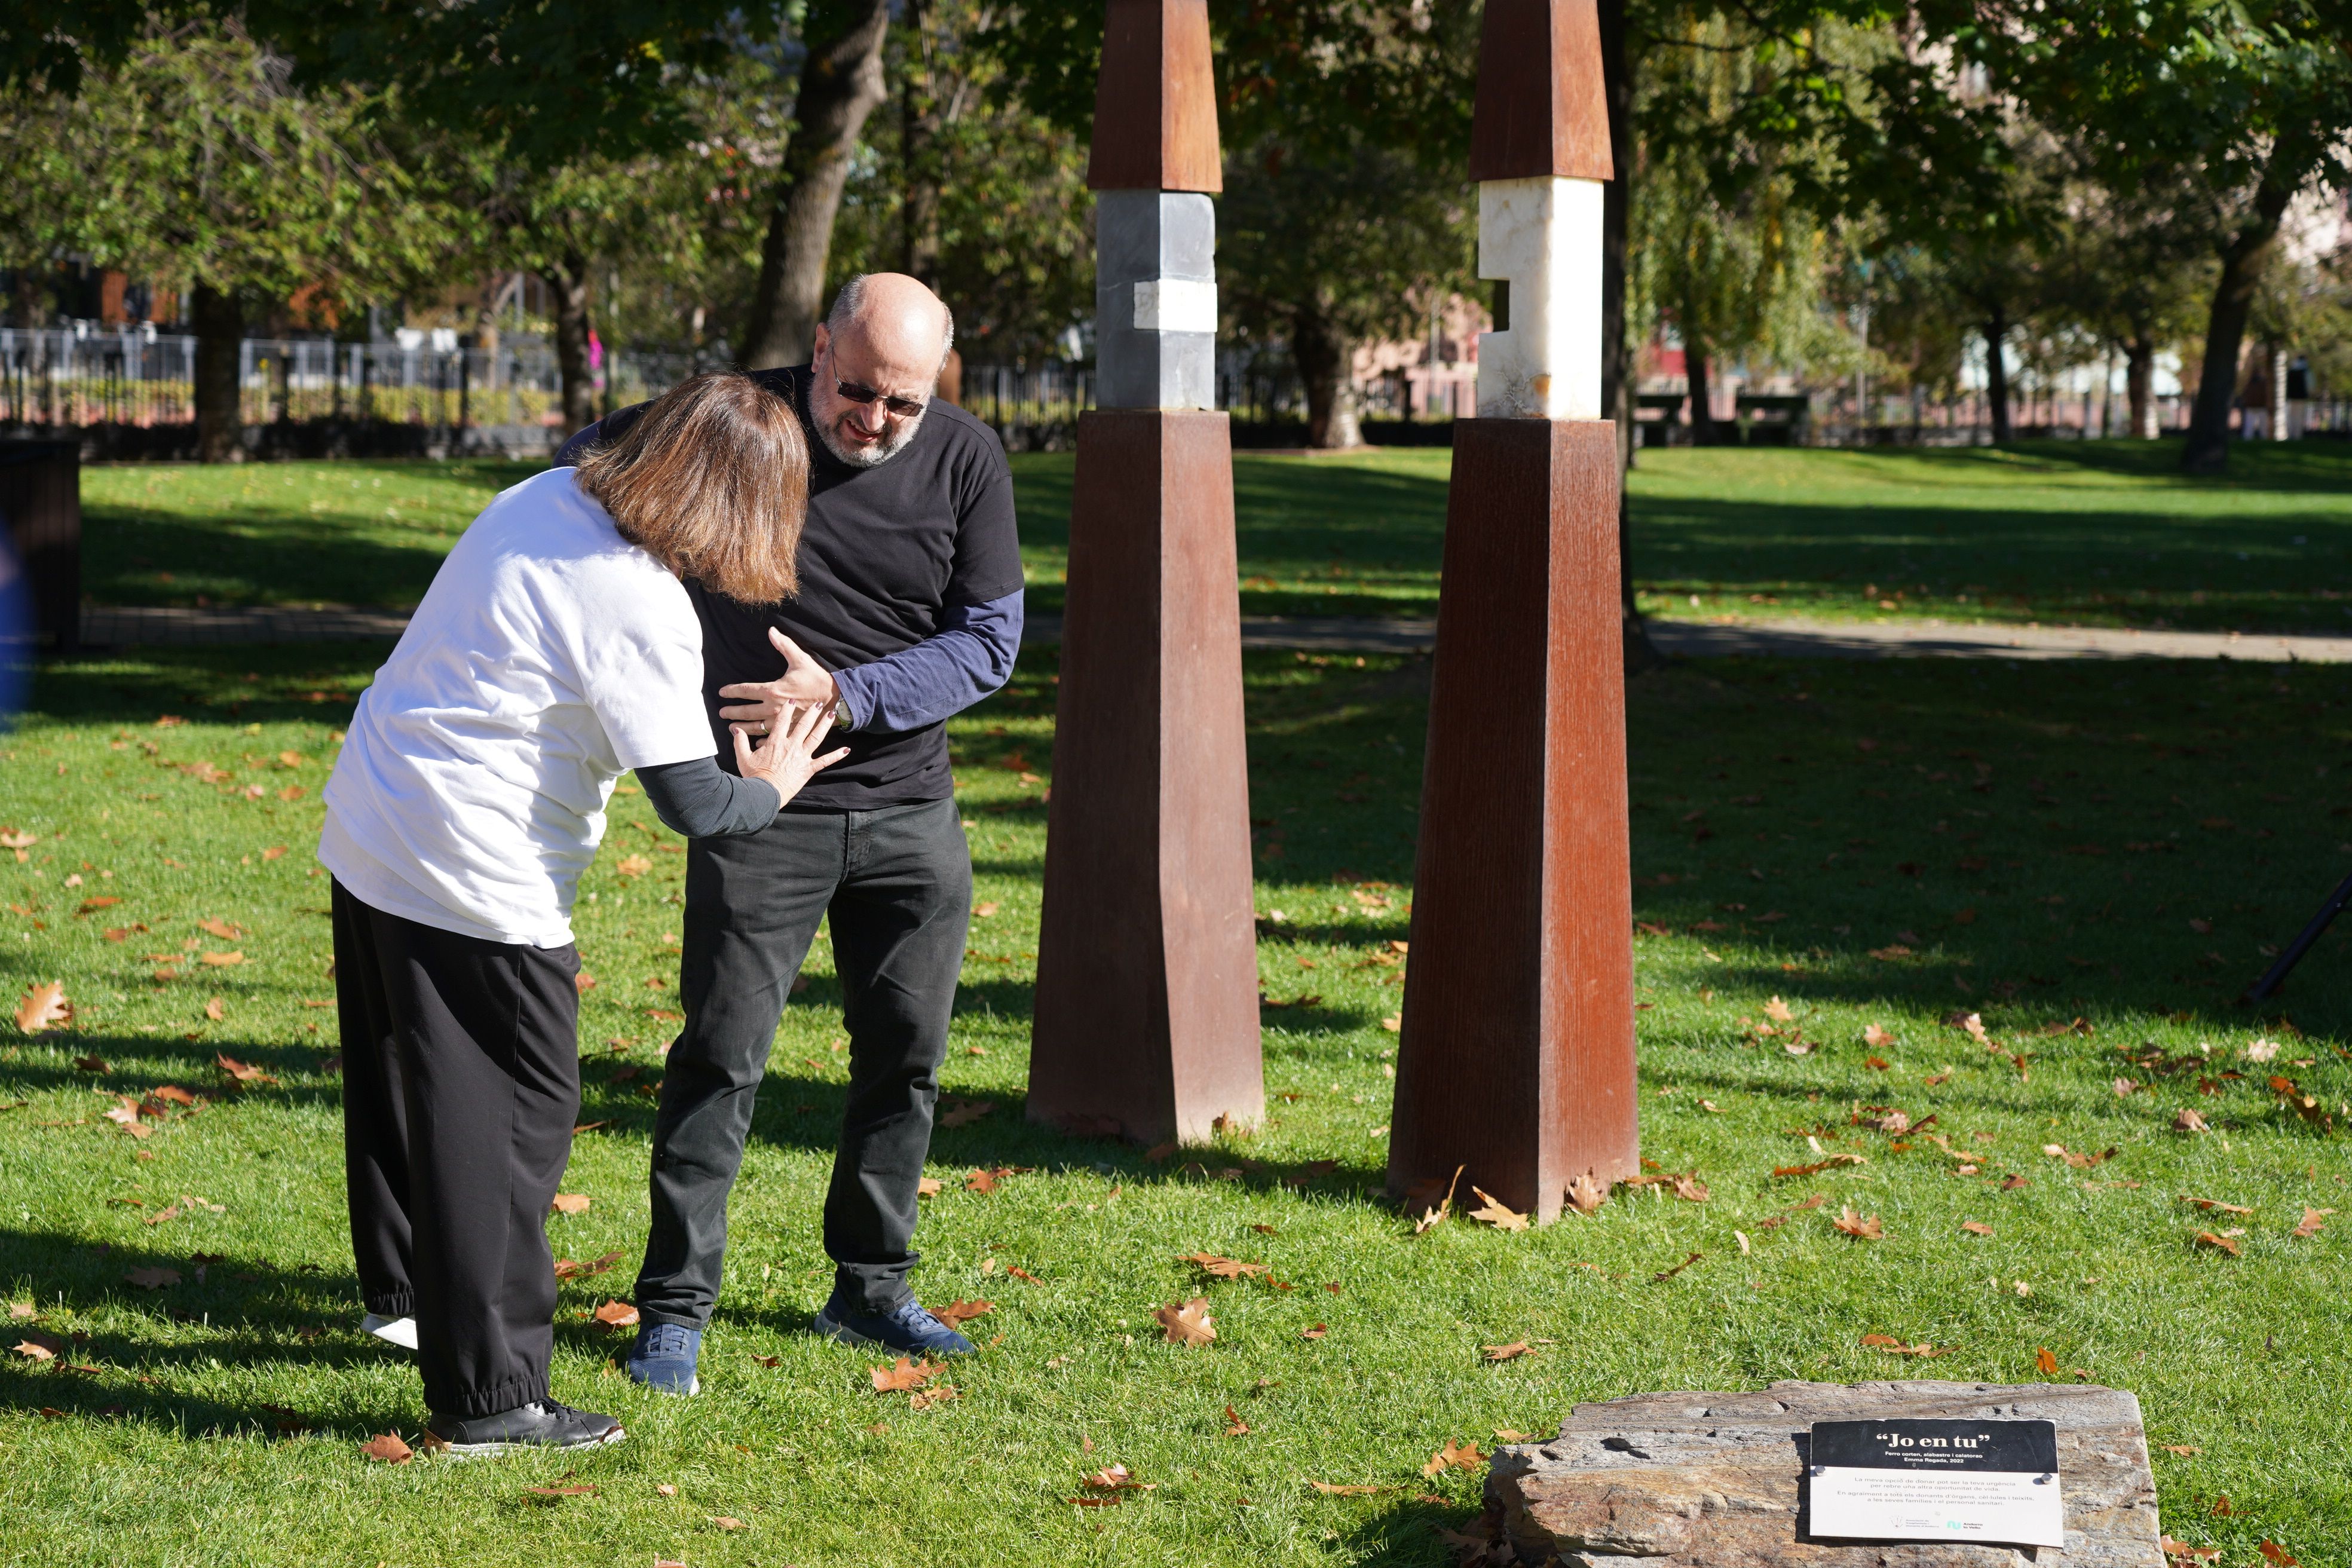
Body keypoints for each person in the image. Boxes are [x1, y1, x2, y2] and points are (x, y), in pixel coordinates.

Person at [322, 372, 845, 1454]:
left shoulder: (541, 499)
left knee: (400, 1079)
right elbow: (699, 805)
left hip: (374, 819)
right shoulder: (637, 597)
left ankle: (402, 1294)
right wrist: (779, 782)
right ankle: (493, 1397)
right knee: (512, 1127)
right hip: (474, 872)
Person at [553, 273, 1022, 1396]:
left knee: (903, 1064)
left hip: (911, 812)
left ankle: (870, 1287)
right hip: (760, 812)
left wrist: (850, 696)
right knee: (720, 1058)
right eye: (857, 392)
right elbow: (574, 478)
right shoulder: (736, 426)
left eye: (903, 404)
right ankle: (673, 1310)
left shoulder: (966, 460)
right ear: (819, 352)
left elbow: (991, 642)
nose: (875, 422)